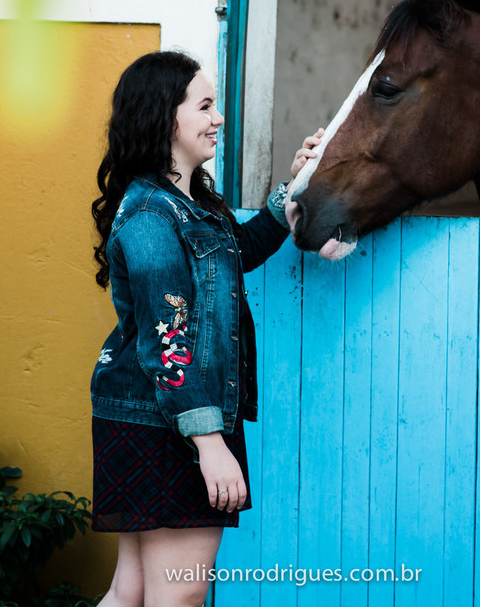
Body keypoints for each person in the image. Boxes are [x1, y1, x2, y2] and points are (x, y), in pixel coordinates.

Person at [88, 50, 322, 607]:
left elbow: (235, 253)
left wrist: (296, 189)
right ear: (164, 115)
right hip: (169, 422)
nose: (218, 119)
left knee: (135, 590)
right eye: (206, 106)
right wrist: (210, 443)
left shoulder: (187, 206)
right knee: (181, 593)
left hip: (155, 415)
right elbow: (170, 338)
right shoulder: (151, 215)